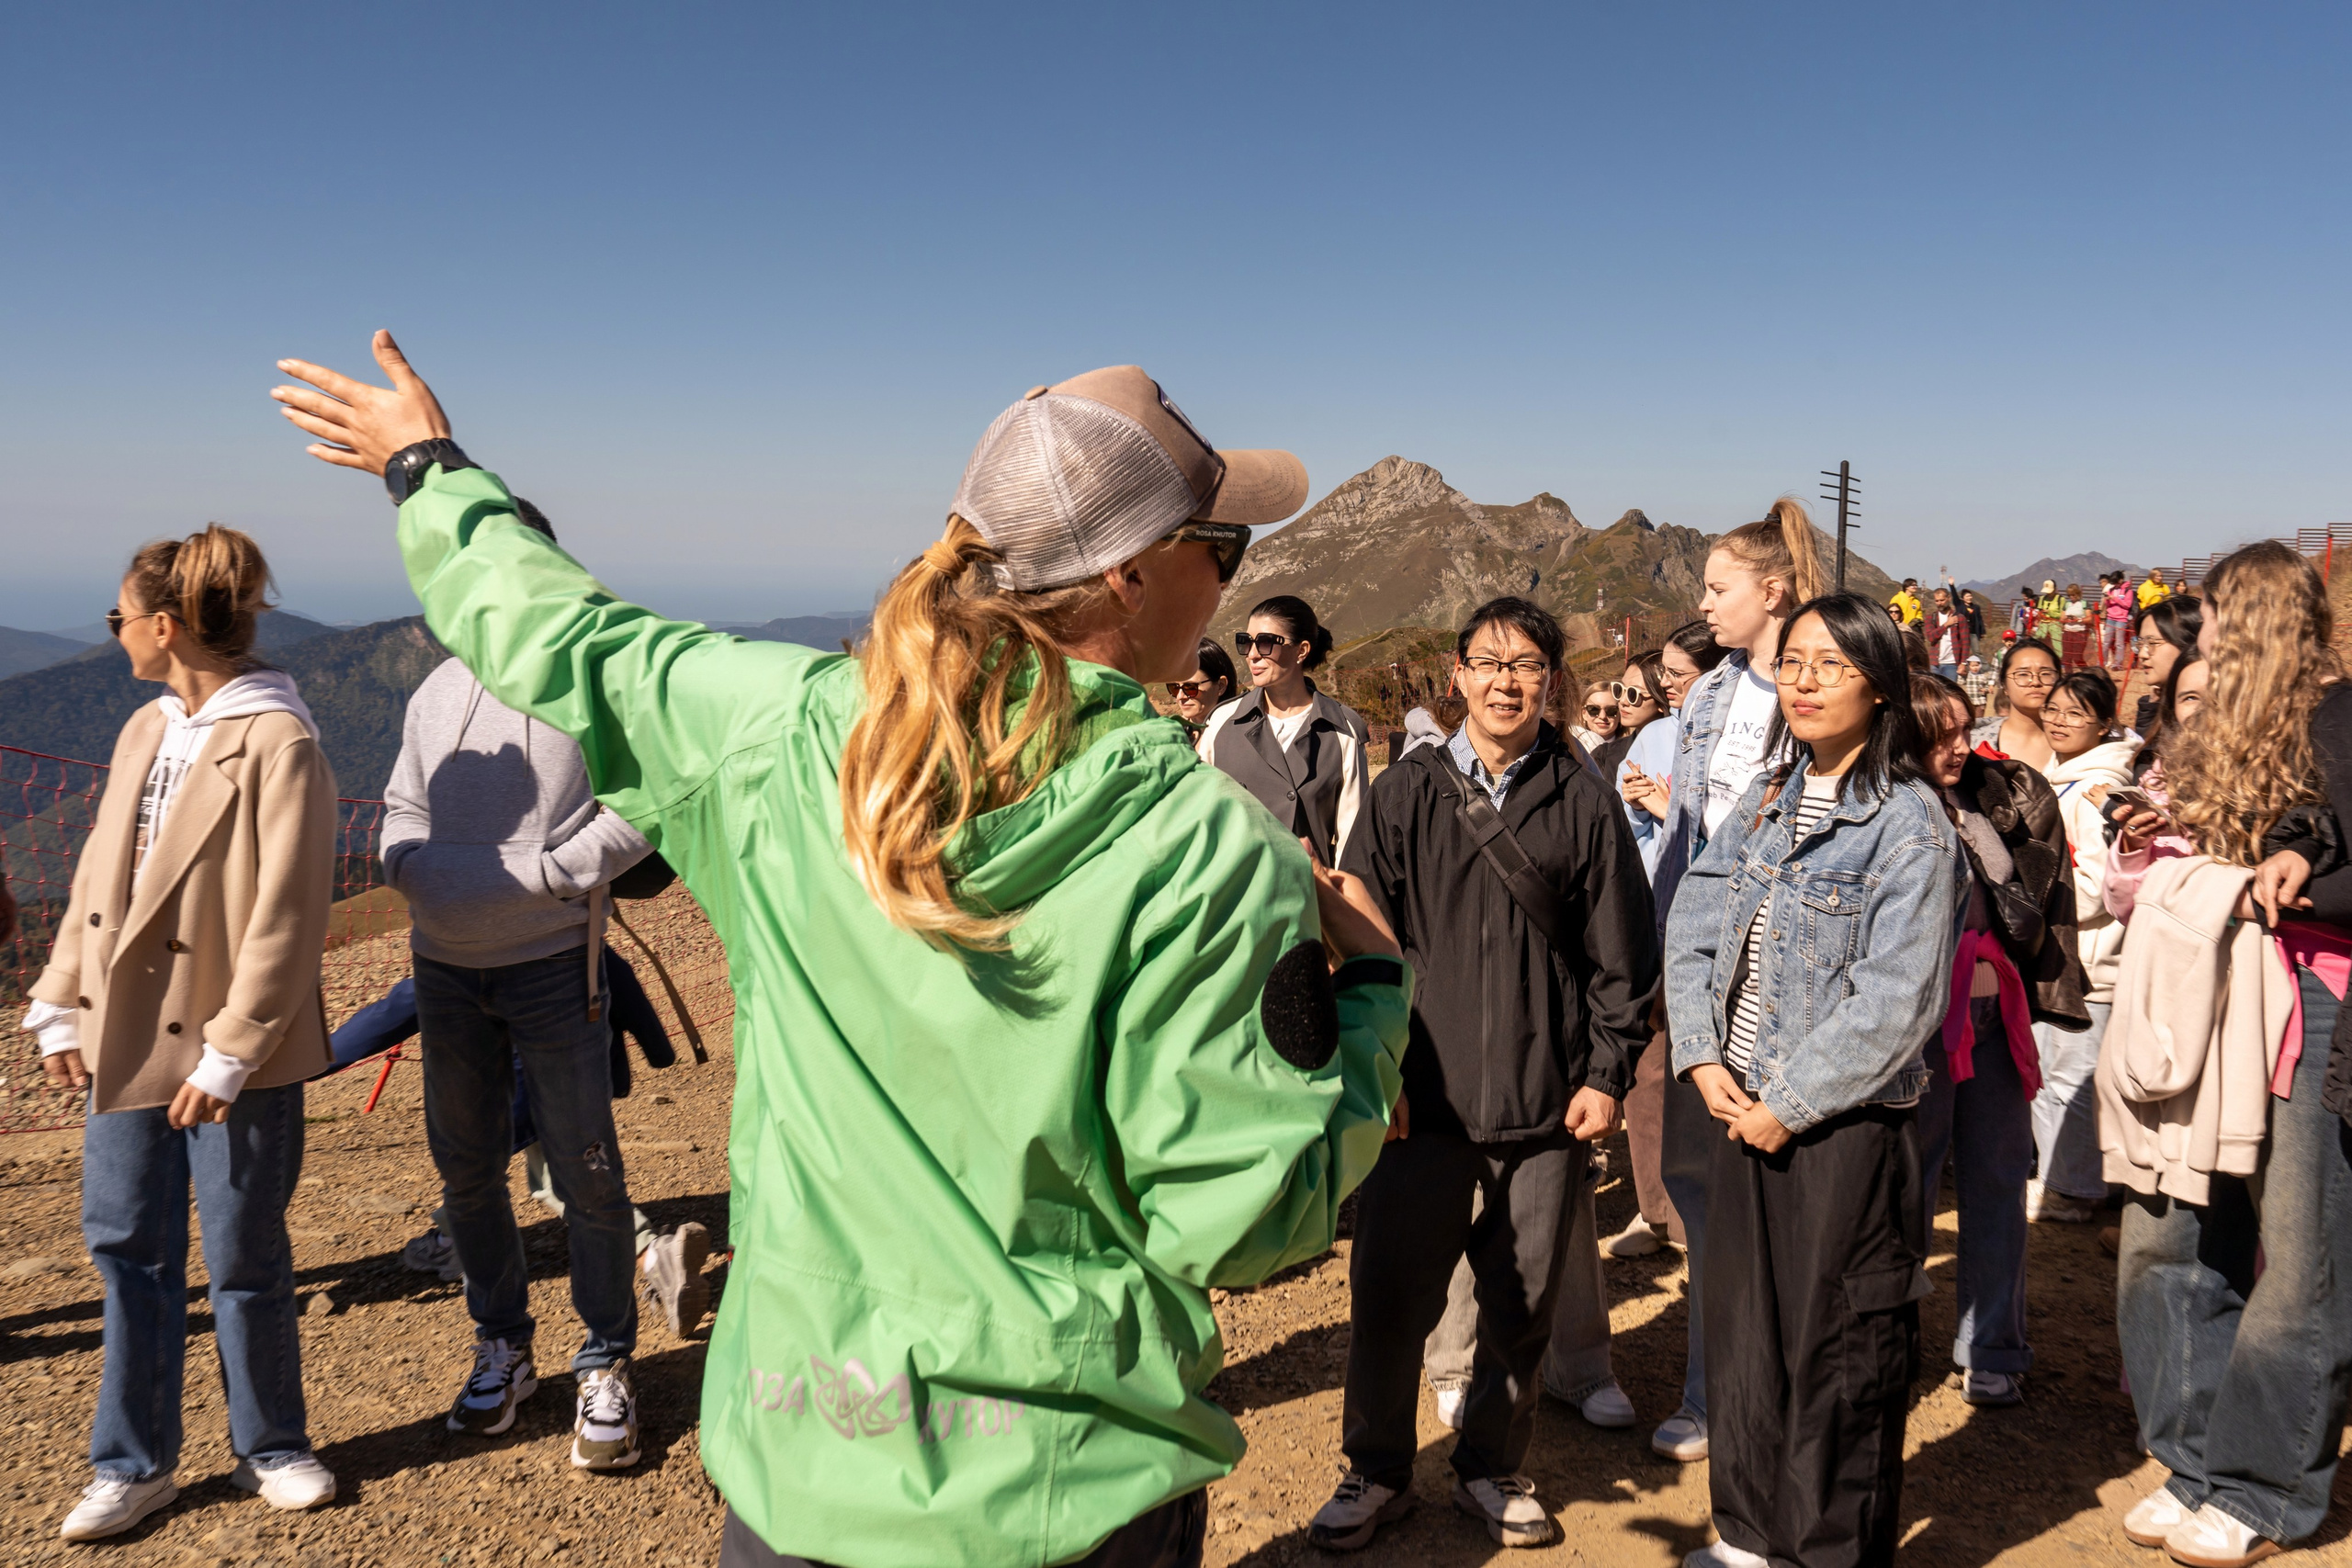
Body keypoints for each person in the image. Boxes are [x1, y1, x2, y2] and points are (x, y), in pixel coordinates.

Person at [273, 339, 1410, 1567]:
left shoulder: (781, 732)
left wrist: (427, 469)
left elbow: (565, 630)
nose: (1232, 583)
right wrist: (1374, 1008)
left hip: (798, 1459)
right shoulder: (1200, 846)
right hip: (1057, 1492)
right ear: (1131, 578)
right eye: (1221, 547)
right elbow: (1244, 1219)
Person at [1317, 597, 1657, 1551]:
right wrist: (1371, 1078)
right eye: (1489, 662)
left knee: (1518, 1309)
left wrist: (1606, 1073)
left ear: (1551, 682)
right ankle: (1376, 1470)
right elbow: (1357, 945)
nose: (1507, 680)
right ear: (1457, 676)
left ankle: (1490, 1466)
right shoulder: (1404, 793)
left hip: (1547, 1104)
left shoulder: (1583, 799)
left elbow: (1622, 960)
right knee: (1390, 1300)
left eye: (1527, 665)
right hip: (1419, 1103)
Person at [25, 526, 339, 1539]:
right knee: (127, 1246)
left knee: (245, 1248)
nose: (113, 634)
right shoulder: (143, 729)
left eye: (120, 618)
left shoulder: (279, 740)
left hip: (231, 1049)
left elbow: (288, 915)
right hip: (124, 1033)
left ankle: (273, 1445)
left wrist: (231, 1050)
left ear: (163, 627)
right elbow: (96, 879)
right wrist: (59, 998)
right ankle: (134, 1463)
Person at [1666, 592, 1961, 1568]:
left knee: (1840, 1356)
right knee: (1747, 1341)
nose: (1803, 680)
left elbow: (1898, 1000)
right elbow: (1696, 918)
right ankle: (1749, 1533)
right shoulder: (1765, 796)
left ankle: (1828, 1550)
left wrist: (1785, 1106)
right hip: (1737, 1103)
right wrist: (1702, 1056)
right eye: (1793, 661)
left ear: (1879, 686)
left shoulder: (1911, 826)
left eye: (1830, 665)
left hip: (1838, 1128)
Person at [381, 542, 687, 1466]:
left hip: (555, 965)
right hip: (444, 971)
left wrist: (555, 874)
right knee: (466, 1175)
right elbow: (399, 808)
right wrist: (411, 867)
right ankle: (504, 1347)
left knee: (587, 1175)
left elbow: (648, 799)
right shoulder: (434, 692)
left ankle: (603, 1361)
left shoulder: (588, 686)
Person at [2103, 540, 2352, 1567]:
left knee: (2297, 1261)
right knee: (2168, 1233)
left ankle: (2266, 1488)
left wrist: (2283, 869)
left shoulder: (2339, 717)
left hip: (2311, 999)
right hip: (2201, 990)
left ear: (2253, 619)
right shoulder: (2207, 727)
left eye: (2211, 614)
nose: (2197, 634)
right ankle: (2192, 1459)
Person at [1645, 499, 1829, 1466]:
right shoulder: (1708, 696)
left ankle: (1785, 1392)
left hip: (1791, 968)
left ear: (1774, 591)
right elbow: (1682, 839)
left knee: (1780, 1188)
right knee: (1697, 1180)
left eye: (1718, 589)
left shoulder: (1828, 689)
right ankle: (1712, 1391)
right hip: (1701, 958)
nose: (1703, 604)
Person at [1910, 671, 2089, 1410]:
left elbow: (2035, 904)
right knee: (1903, 1184)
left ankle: (1992, 1345)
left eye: (1963, 729)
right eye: (1940, 735)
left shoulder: (2002, 791)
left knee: (1998, 1172)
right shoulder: (1876, 803)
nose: (1959, 746)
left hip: (1992, 1019)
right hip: (1909, 1029)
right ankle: (1881, 1339)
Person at [1607, 620, 1728, 1260]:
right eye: (1666, 678)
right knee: (1648, 1068)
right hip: (1656, 913)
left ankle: (1702, 1214)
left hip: (1718, 927)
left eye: (1679, 677)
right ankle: (1655, 1208)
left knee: (1706, 1069)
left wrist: (1671, 807)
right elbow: (1631, 824)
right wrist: (1640, 803)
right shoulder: (1657, 734)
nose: (1667, 688)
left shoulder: (1746, 731)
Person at [2025, 671, 2133, 1226]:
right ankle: (2062, 1178)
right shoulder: (2061, 777)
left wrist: (2028, 898)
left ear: (2104, 724)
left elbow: (2094, 890)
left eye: (2075, 714)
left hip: (2087, 961)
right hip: (2067, 954)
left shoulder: (2094, 792)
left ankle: (2075, 1188)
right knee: (2056, 1074)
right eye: (2055, 710)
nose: (2059, 721)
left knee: (2072, 1079)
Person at [1200, 594, 1374, 866]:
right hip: (1233, 894)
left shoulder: (1342, 730)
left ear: (1301, 650)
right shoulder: (1223, 722)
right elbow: (1200, 817)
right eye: (1246, 642)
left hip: (1310, 895)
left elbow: (1352, 841)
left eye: (1266, 643)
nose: (1252, 654)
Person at [1970, 639, 2062, 771]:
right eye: (2023, 674)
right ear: (2004, 684)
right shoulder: (1973, 742)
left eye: (2046, 674)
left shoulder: (2078, 743)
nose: (2035, 682)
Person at [2130, 594, 2203, 732]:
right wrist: (2151, 706)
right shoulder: (2158, 700)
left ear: (2189, 644)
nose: (2142, 655)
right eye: (2140, 644)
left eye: (2152, 643)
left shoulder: (2201, 712)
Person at [1166, 637, 1238, 751]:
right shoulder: (1171, 734)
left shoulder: (1240, 737)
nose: (1180, 697)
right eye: (1174, 688)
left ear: (1221, 686)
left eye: (1190, 688)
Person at [1927, 586, 1969, 679]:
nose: (1939, 603)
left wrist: (1963, 663)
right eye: (1937, 601)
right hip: (1934, 664)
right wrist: (1946, 624)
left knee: (1950, 692)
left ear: (1948, 598)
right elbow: (1931, 637)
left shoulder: (1959, 618)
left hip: (1952, 664)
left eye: (1942, 600)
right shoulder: (1931, 618)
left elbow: (1965, 642)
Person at [1570, 679, 1621, 754]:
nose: (1602, 716)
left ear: (1621, 713)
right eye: (1594, 709)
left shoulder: (1630, 750)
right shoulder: (1571, 747)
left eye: (1611, 710)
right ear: (1584, 713)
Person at [2100, 572, 2136, 670]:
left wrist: (2115, 598)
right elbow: (2108, 604)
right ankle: (2103, 661)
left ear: (2121, 580)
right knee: (2106, 642)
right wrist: (2107, 599)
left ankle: (2118, 664)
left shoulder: (2128, 591)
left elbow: (2127, 605)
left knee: (2119, 643)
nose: (2114, 585)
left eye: (2115, 582)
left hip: (2121, 619)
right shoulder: (2111, 590)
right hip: (2110, 618)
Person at [2035, 580, 2066, 655]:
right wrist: (2040, 615)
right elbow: (2038, 612)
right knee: (2036, 640)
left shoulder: (2061, 599)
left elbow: (2062, 616)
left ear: (2055, 589)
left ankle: (2059, 661)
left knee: (2057, 645)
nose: (2048, 593)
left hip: (2055, 624)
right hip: (2043, 624)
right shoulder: (2042, 599)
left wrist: (2050, 612)